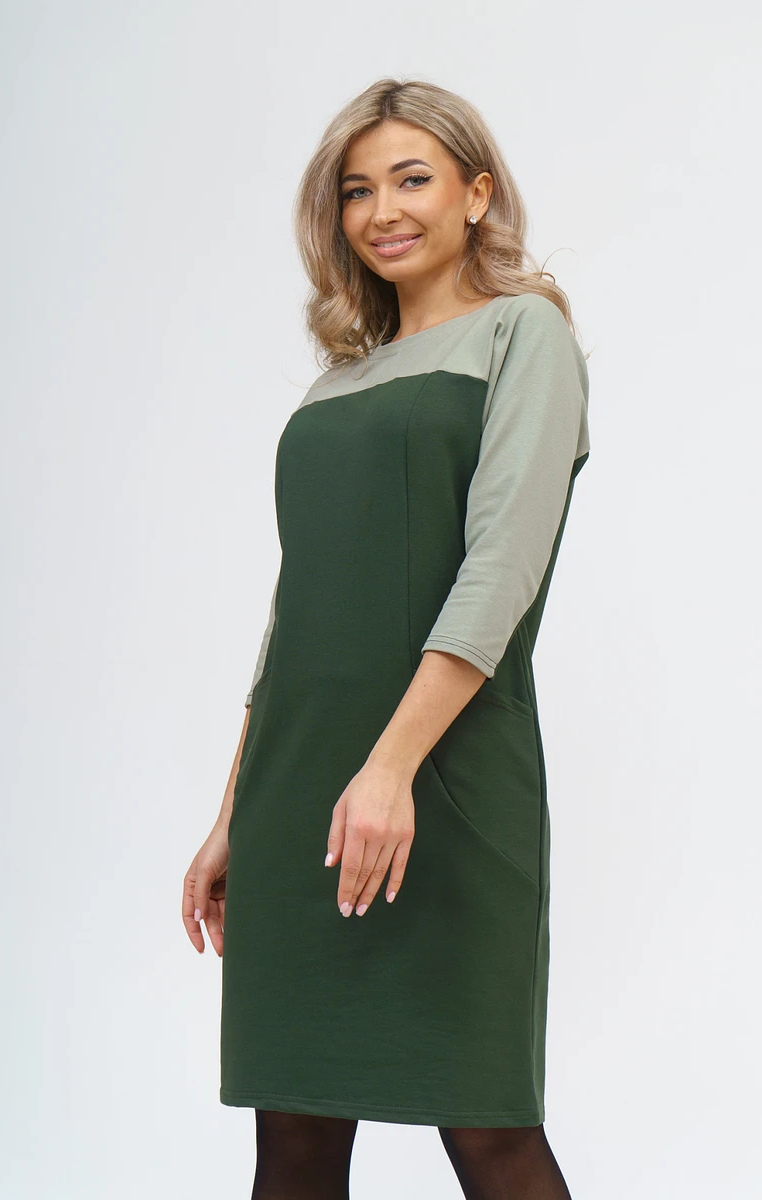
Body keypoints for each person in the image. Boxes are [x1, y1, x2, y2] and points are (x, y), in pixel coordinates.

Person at [182, 76, 591, 1200]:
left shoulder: (523, 334)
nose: (382, 211)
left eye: (412, 179)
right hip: (299, 795)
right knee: (292, 1137)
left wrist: (391, 768)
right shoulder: (337, 385)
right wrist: (234, 813)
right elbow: (294, 612)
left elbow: (498, 574)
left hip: (440, 778)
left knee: (487, 1125)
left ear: (477, 193)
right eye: (357, 191)